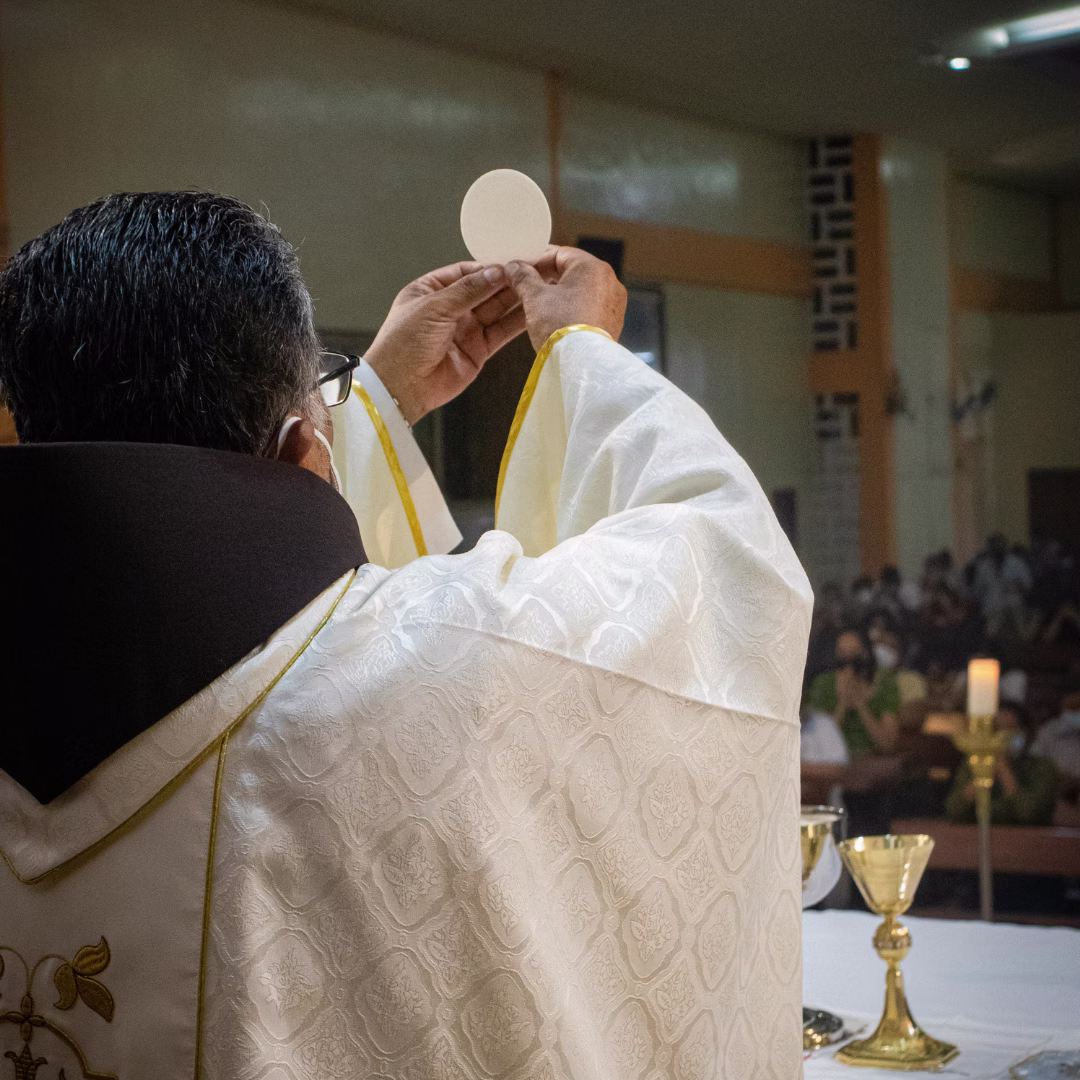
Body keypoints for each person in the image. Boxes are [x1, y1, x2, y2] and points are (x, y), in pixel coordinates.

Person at [0, 193, 812, 1077]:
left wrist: (370, 403)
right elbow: (730, 569)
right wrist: (584, 358)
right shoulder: (465, 664)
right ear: (307, 448)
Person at [946, 704, 1058, 826]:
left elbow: (1030, 814)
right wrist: (984, 773)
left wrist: (1004, 769)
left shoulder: (1041, 767)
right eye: (997, 728)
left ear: (1024, 733)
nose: (1002, 735)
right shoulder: (972, 762)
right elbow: (954, 810)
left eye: (1010, 728)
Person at [804, 630, 900, 757]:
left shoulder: (884, 683)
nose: (848, 660)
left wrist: (861, 705)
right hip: (833, 761)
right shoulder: (824, 684)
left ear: (866, 653)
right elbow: (820, 740)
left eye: (854, 652)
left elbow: (886, 743)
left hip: (871, 759)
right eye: (842, 653)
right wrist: (842, 704)